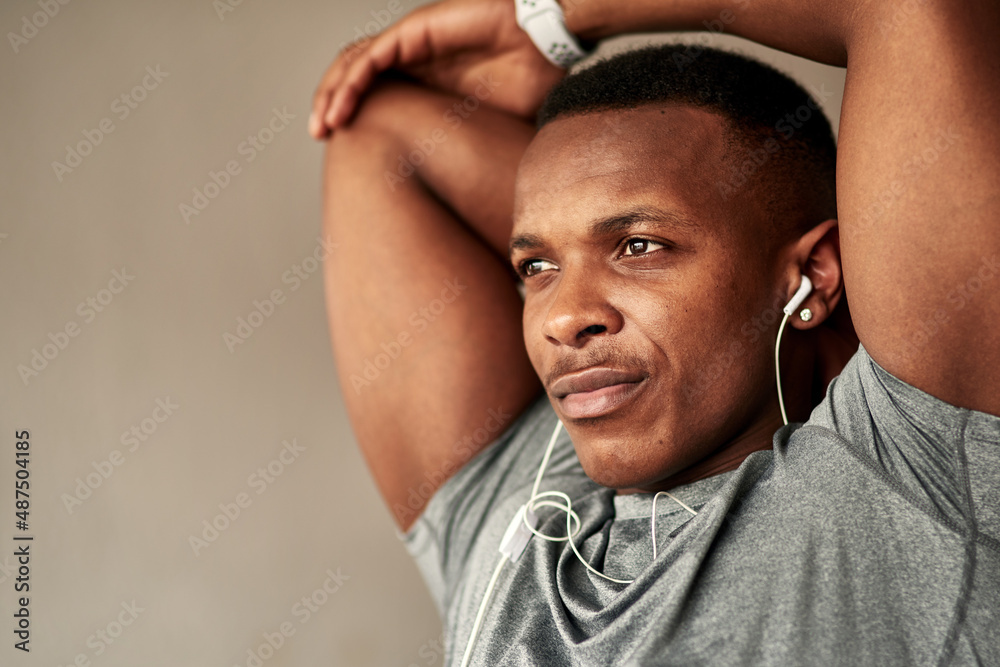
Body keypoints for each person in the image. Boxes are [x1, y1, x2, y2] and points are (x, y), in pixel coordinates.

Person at [310, 0, 1000, 664]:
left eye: (640, 246)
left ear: (813, 277)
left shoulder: (914, 470)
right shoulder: (521, 511)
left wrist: (546, 17)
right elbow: (374, 126)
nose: (560, 317)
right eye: (537, 265)